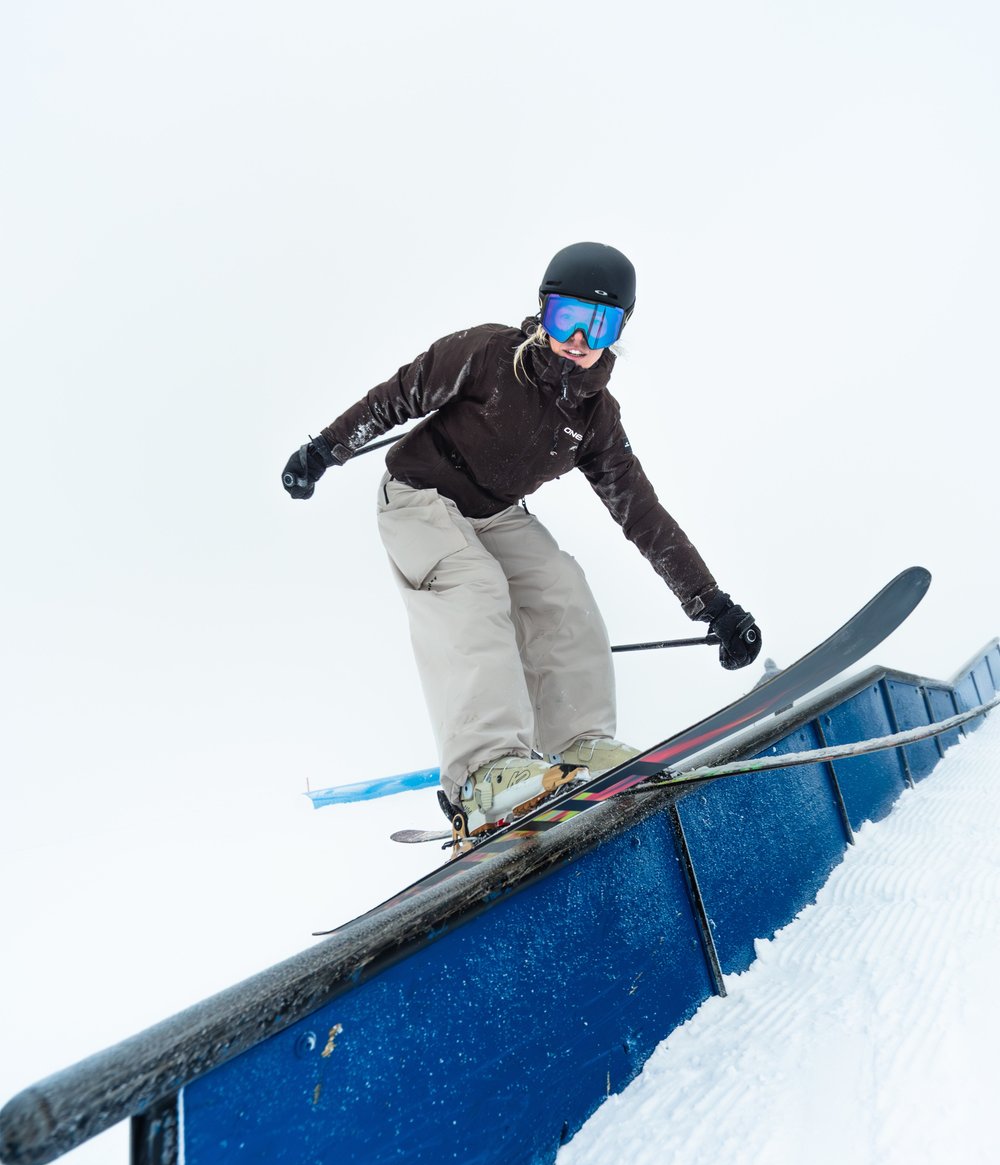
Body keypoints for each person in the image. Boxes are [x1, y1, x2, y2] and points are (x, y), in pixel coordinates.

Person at [282, 242, 761, 832]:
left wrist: (712, 604)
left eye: (599, 324)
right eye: (567, 318)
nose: (579, 339)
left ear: (618, 331)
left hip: (494, 513)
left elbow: (643, 515)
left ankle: (578, 745)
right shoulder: (488, 354)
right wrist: (325, 449)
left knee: (561, 587)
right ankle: (483, 773)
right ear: (542, 311)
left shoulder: (596, 419)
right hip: (416, 496)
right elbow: (399, 394)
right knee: (474, 584)